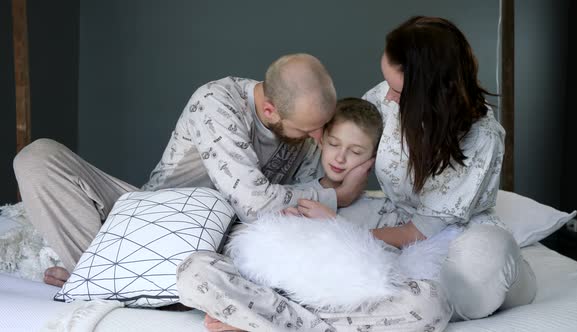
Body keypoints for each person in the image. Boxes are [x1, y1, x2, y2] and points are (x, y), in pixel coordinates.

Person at [12, 53, 373, 287]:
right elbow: (255, 202)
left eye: (321, 128)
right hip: (151, 216)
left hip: (220, 237)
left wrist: (335, 186)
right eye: (306, 130)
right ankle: (99, 276)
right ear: (269, 111)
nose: (317, 139)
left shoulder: (312, 128)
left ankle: (101, 280)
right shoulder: (217, 102)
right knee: (36, 157)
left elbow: (292, 207)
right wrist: (334, 194)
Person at [298, 15, 537, 322]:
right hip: (399, 225)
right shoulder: (387, 99)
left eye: (398, 90)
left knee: (480, 262)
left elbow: (423, 232)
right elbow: (350, 140)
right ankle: (275, 313)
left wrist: (341, 228)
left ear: (432, 93)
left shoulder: (481, 136)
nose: (386, 96)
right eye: (387, 81)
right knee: (309, 241)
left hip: (458, 243)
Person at [176, 97, 452, 332]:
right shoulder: (289, 194)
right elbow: (247, 259)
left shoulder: (385, 211)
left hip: (340, 304)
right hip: (274, 292)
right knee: (194, 269)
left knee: (432, 302)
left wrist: (337, 226)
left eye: (355, 151)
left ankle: (256, 321)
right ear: (321, 141)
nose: (340, 158)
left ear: (373, 158)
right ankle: (271, 319)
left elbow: (386, 277)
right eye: (334, 144)